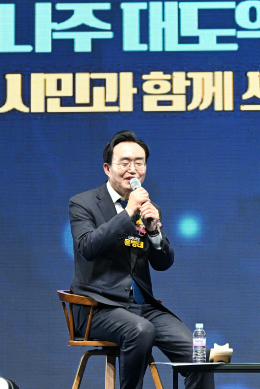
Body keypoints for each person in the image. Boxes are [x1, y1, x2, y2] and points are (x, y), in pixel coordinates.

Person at [69, 130, 214, 389]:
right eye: (124, 162)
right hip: (98, 308)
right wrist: (128, 213)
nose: (132, 169)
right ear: (107, 168)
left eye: (139, 162)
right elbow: (87, 247)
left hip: (142, 306)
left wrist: (154, 231)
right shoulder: (83, 203)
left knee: (199, 354)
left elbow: (163, 263)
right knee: (140, 330)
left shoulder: (149, 208)